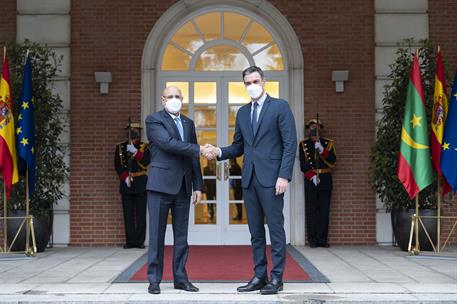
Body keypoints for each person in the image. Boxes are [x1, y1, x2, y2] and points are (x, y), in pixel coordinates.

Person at [203, 66, 297, 295]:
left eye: (255, 81)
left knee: (275, 229)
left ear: (263, 81)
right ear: (244, 85)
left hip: (273, 179)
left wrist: (283, 175)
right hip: (250, 180)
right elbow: (239, 146)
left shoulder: (280, 107)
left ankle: (277, 278)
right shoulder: (243, 112)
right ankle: (260, 275)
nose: (252, 86)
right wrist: (218, 152)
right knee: (255, 232)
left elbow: (290, 144)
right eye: (247, 83)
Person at [145, 86, 205, 295]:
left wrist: (198, 185)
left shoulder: (188, 123)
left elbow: (192, 157)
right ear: (163, 100)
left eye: (177, 96)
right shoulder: (154, 120)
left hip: (183, 186)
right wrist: (199, 148)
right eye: (170, 96)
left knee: (181, 237)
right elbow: (168, 144)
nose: (174, 99)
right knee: (156, 235)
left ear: (182, 99)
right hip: (160, 186)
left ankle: (180, 278)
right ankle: (154, 280)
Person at [299, 119, 336, 248]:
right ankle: (313, 240)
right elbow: (303, 165)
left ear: (320, 128)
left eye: (316, 127)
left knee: (324, 211)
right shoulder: (303, 144)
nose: (314, 129)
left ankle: (322, 239)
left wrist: (321, 150)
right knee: (311, 211)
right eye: (311, 127)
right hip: (311, 181)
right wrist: (312, 176)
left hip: (325, 179)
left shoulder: (328, 143)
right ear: (308, 129)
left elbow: (333, 161)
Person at [114, 122, 150, 249]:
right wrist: (125, 178)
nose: (133, 132)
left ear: (139, 131)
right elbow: (117, 165)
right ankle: (130, 241)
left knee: (140, 215)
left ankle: (139, 241)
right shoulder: (120, 147)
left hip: (140, 183)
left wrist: (135, 152)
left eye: (135, 130)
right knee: (128, 214)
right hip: (127, 184)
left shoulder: (144, 147)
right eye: (131, 130)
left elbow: (146, 162)